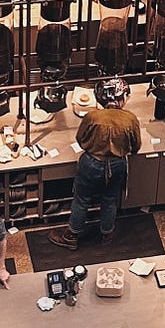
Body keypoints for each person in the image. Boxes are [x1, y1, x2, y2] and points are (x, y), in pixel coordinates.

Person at [49, 94, 143, 248]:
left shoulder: (92, 116)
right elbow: (136, 146)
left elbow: (80, 138)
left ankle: (71, 236)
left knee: (81, 200)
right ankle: (107, 234)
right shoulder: (130, 119)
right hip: (117, 164)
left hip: (92, 163)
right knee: (110, 199)